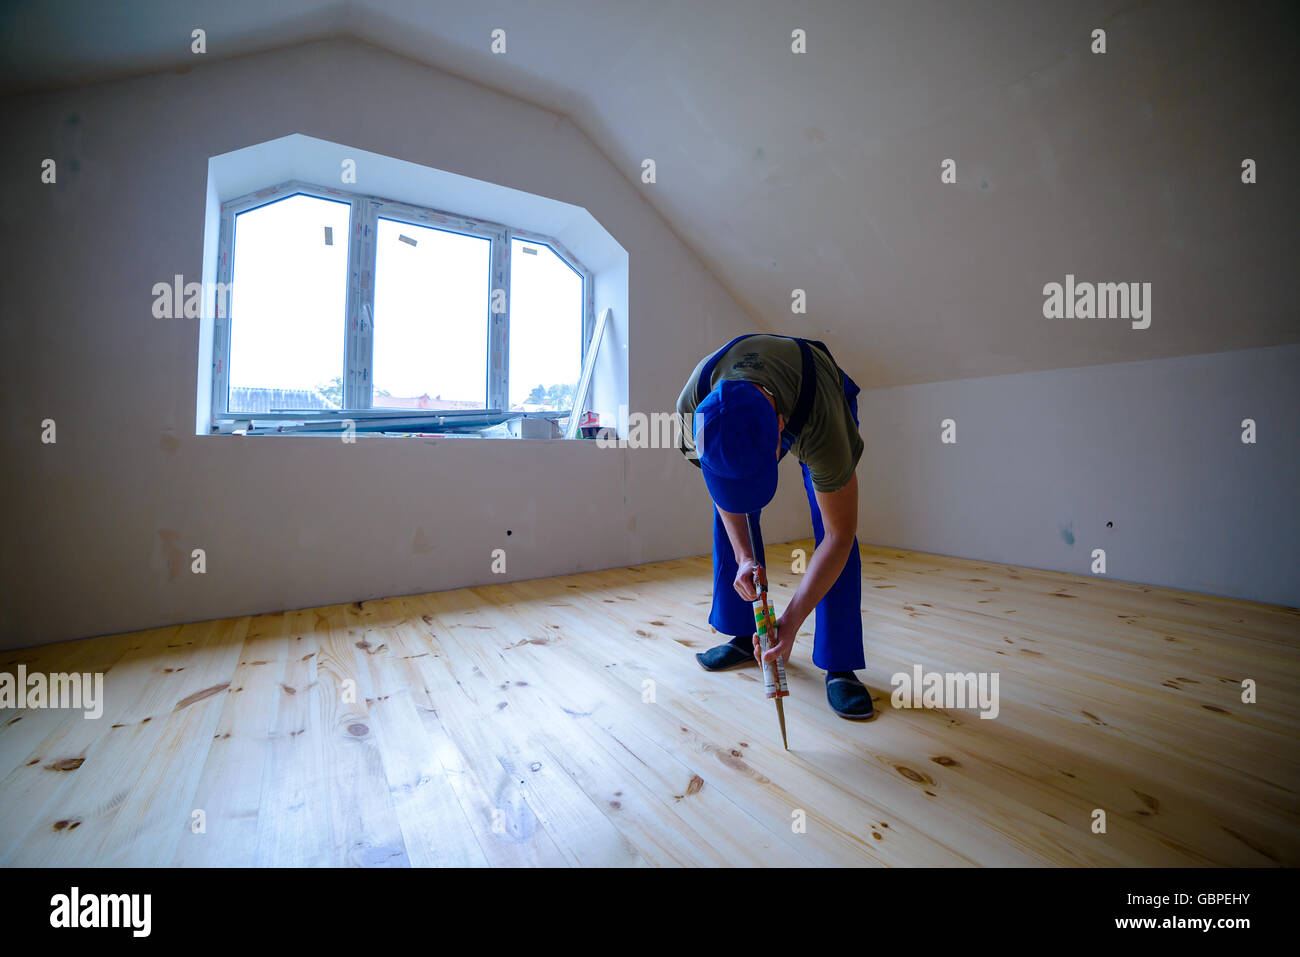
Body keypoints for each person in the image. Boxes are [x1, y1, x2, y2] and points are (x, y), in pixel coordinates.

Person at [677, 334, 872, 718]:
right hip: (757, 407)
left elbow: (839, 534)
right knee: (731, 507)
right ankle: (742, 631)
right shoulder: (692, 407)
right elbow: (722, 489)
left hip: (816, 390)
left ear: (781, 431)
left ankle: (840, 663)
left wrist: (790, 621)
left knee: (831, 526)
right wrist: (744, 557)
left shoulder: (822, 421)